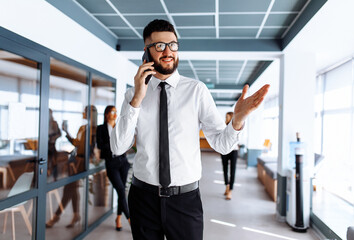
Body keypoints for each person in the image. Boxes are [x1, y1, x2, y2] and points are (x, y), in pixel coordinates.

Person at [110, 19, 269, 240]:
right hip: (143, 199)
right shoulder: (132, 95)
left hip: (185, 201)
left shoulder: (197, 91)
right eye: (159, 46)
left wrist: (237, 121)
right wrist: (137, 98)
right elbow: (118, 147)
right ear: (145, 53)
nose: (168, 51)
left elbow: (222, 145)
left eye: (173, 45)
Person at [46, 105, 97, 228]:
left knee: (68, 190)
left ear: (90, 114)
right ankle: (76, 215)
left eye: (85, 112)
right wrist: (66, 132)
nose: (82, 113)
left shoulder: (94, 130)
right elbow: (76, 143)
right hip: (75, 161)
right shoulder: (82, 128)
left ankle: (56, 217)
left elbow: (91, 149)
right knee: (72, 189)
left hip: (83, 163)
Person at [96, 105, 130, 231]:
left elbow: (126, 141)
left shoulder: (119, 126)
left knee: (121, 192)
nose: (115, 114)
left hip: (123, 162)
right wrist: (114, 145)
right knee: (121, 190)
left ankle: (119, 218)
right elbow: (100, 145)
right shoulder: (101, 128)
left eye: (116, 112)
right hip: (111, 163)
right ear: (106, 114)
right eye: (112, 111)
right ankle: (130, 219)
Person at [221, 112, 238, 200]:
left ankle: (230, 190)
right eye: (225, 116)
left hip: (234, 150)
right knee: (225, 169)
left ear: (231, 117)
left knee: (232, 170)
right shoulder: (223, 126)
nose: (226, 118)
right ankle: (226, 186)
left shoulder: (235, 126)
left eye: (227, 117)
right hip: (224, 150)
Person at [48, 109, 61, 181]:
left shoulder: (54, 123)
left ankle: (55, 178)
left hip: (52, 145)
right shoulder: (43, 122)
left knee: (54, 162)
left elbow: (59, 134)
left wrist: (53, 138)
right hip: (45, 146)